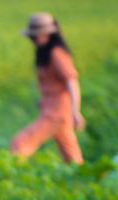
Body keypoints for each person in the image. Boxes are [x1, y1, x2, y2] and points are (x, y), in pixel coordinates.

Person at [10, 12, 84, 164]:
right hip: (57, 112)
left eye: (37, 35)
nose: (34, 39)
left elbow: (72, 81)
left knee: (20, 144)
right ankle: (84, 184)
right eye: (32, 36)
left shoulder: (56, 54)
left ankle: (14, 180)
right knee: (73, 159)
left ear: (48, 34)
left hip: (56, 114)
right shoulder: (46, 53)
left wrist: (76, 111)